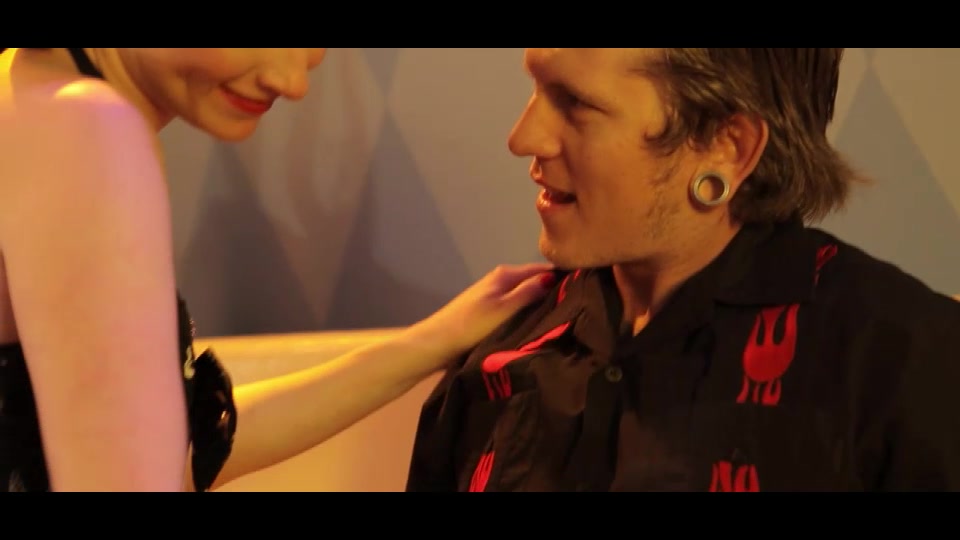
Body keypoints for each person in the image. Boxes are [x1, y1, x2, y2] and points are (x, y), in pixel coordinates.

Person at [0, 47, 555, 492]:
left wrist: (432, 341)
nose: (292, 82)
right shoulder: (89, 130)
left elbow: (180, 449)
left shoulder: (30, 92)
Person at [405, 48, 960, 492]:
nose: (523, 137)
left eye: (575, 103)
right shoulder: (499, 356)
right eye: (537, 88)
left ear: (727, 147)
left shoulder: (901, 366)